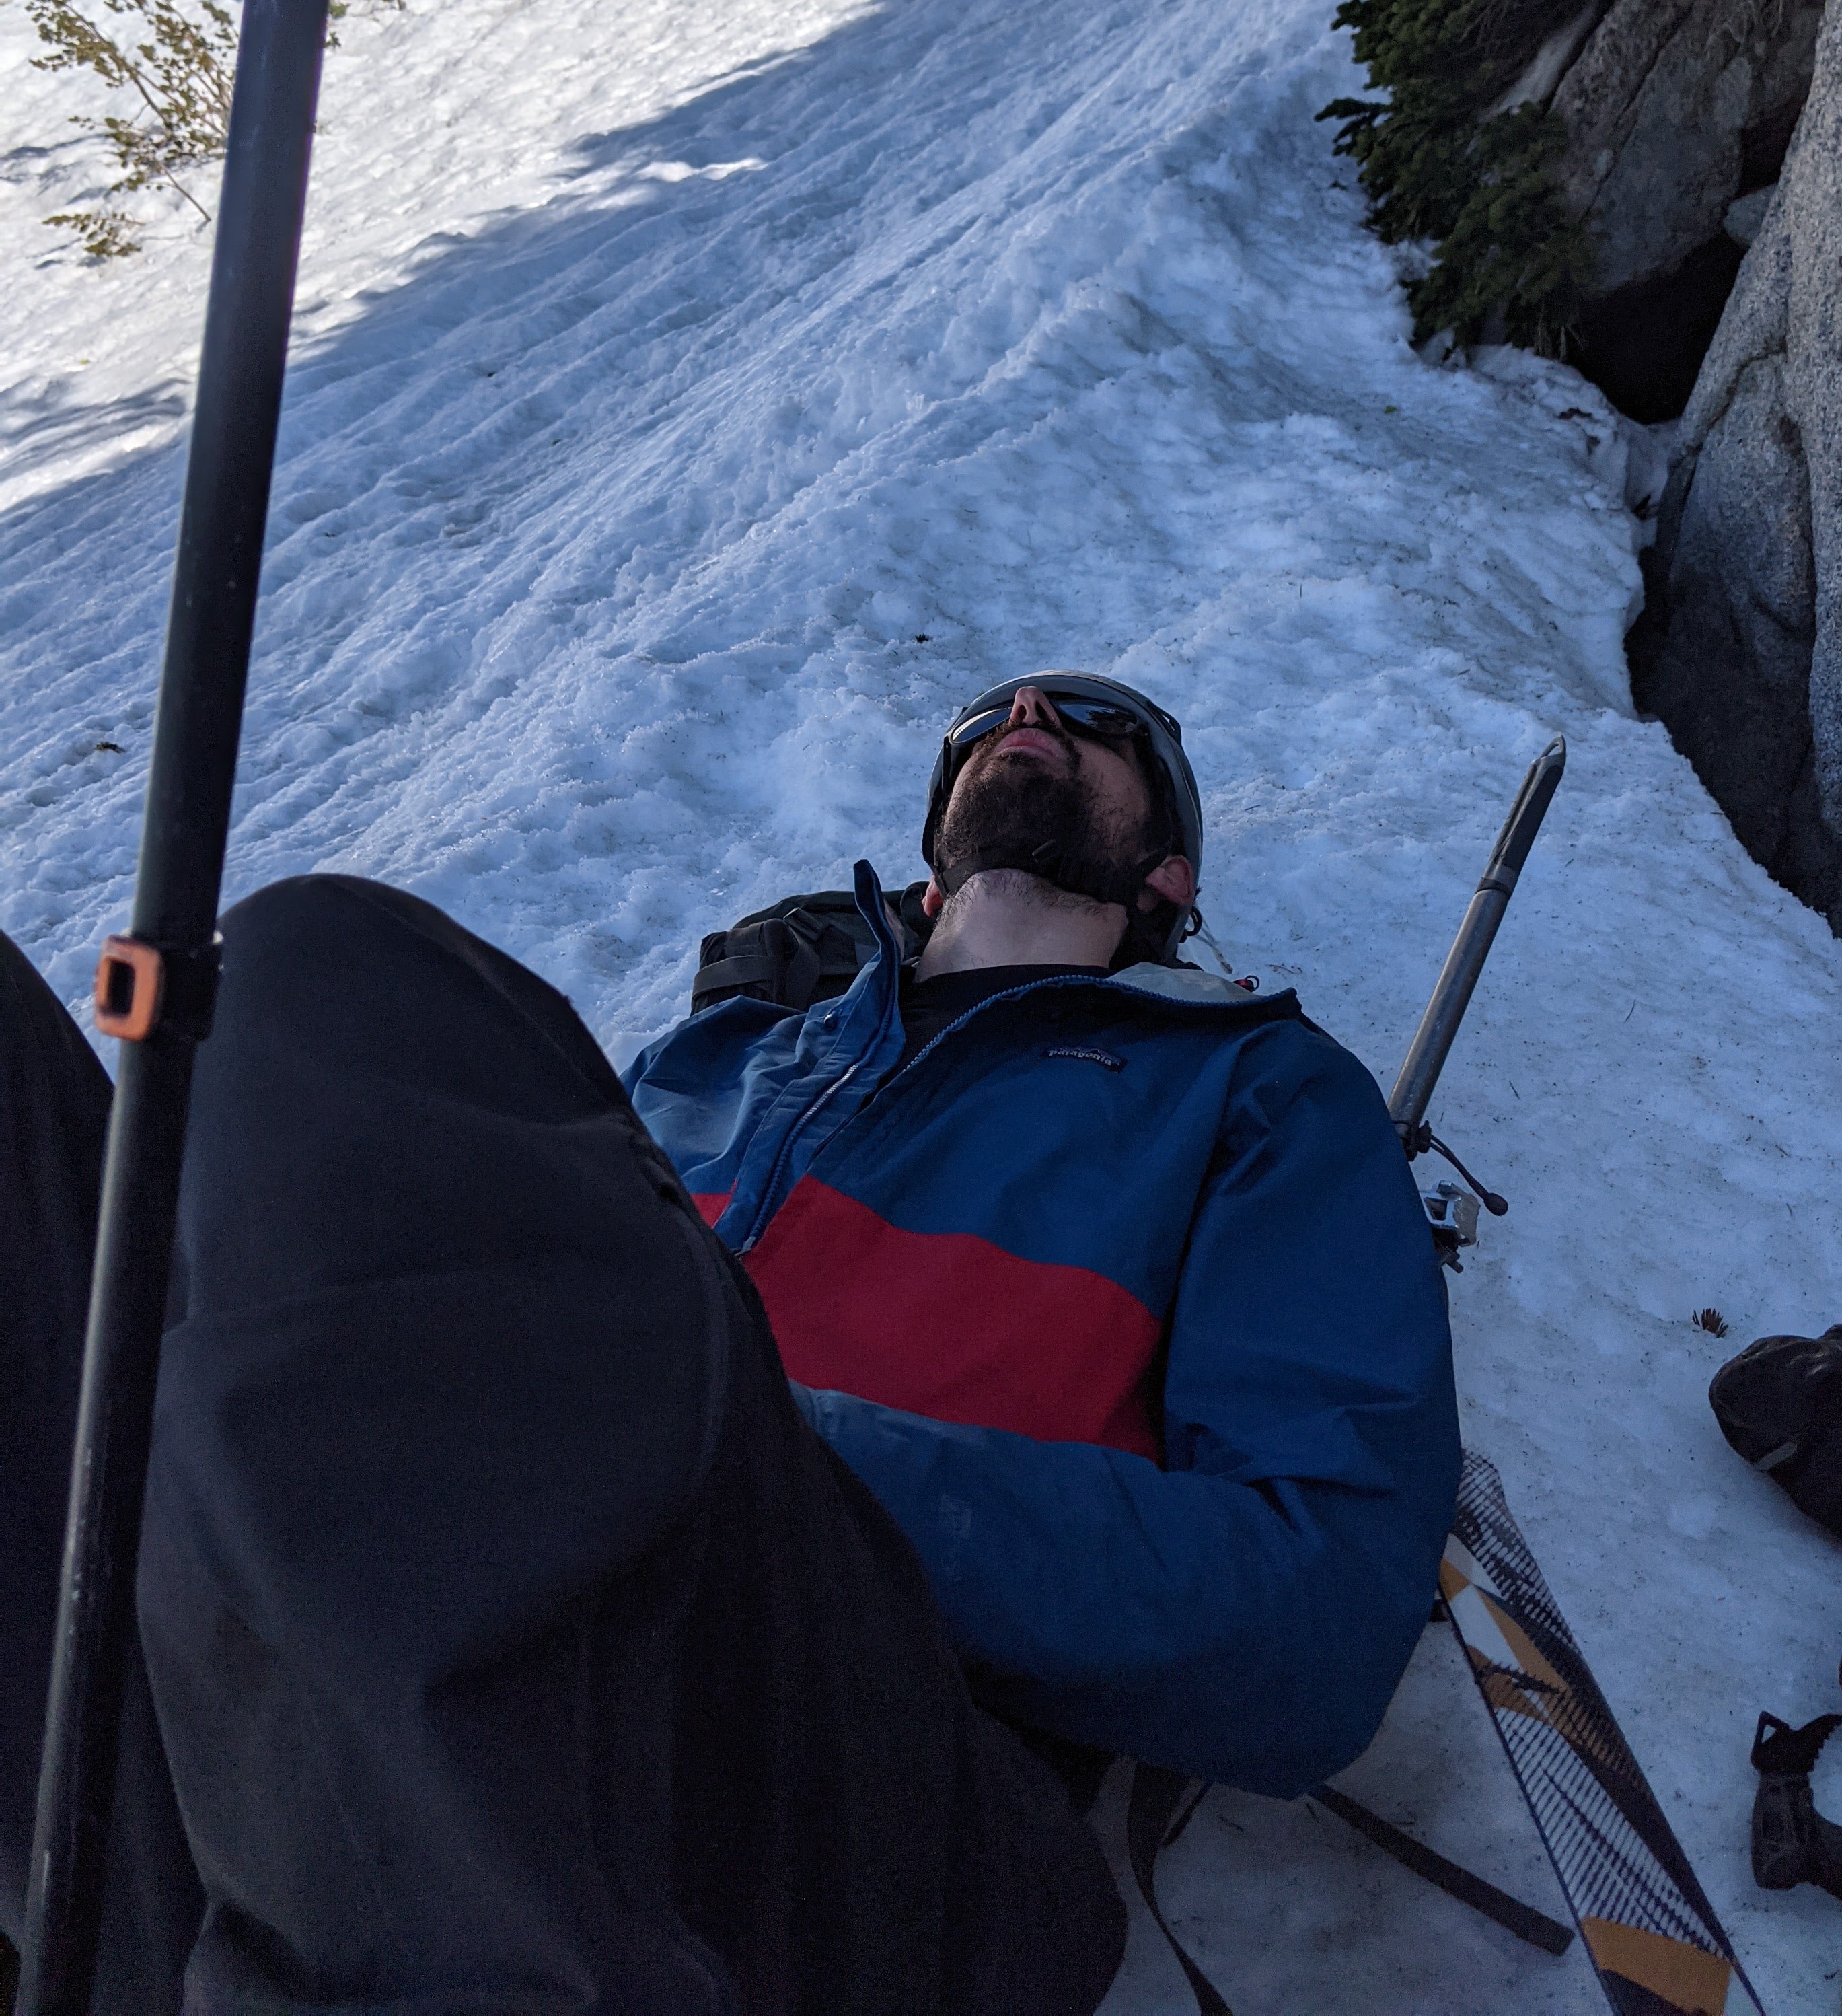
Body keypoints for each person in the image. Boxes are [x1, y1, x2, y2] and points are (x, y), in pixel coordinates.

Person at [0, 672, 1459, 2016]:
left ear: (1168, 877)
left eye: (1091, 720)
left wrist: (753, 1431)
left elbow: (1312, 1624)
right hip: (275, 1739)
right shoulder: (718, 1062)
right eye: (994, 712)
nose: (1026, 707)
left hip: (821, 1796)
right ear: (931, 855)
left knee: (310, 971)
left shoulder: (1255, 1093)